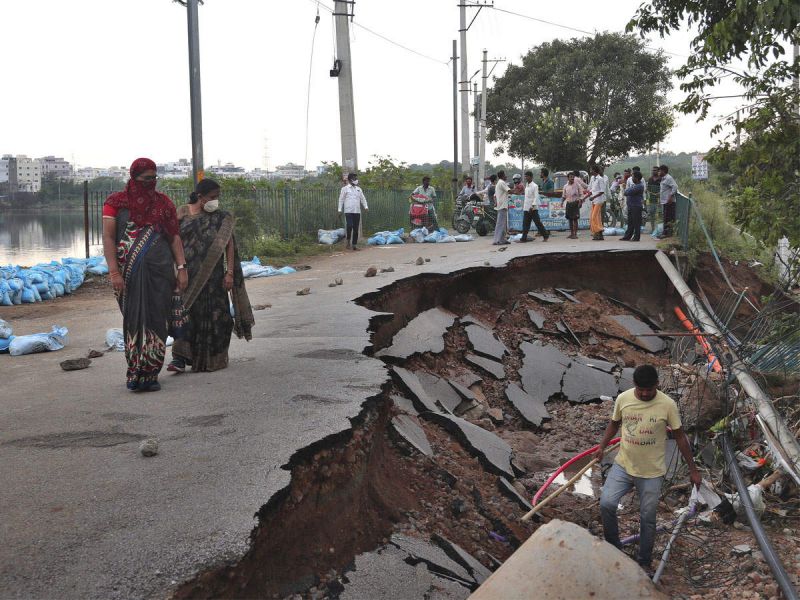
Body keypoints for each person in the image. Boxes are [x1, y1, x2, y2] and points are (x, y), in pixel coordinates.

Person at [595, 364, 701, 573]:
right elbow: (614, 424)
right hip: (624, 465)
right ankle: (613, 549)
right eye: (641, 389)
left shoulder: (667, 404)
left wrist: (693, 469)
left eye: (649, 390)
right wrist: (601, 447)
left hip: (652, 472)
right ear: (634, 384)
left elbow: (680, 436)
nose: (644, 394)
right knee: (606, 503)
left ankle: (644, 561)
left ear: (657, 385)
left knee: (648, 516)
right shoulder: (623, 399)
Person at [102, 158, 187, 392]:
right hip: (127, 274)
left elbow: (174, 237)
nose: (151, 182)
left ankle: (151, 374)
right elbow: (108, 238)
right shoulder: (115, 203)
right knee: (134, 321)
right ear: (134, 178)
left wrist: (182, 268)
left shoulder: (163, 203)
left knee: (157, 320)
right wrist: (114, 272)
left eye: (154, 178)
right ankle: (135, 372)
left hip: (161, 272)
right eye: (146, 178)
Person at [168, 179, 254, 373]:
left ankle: (214, 359)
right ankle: (179, 359)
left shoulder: (222, 218)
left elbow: (229, 245)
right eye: (212, 197)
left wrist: (229, 273)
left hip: (214, 278)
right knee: (186, 315)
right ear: (200, 197)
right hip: (187, 276)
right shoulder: (182, 213)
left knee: (218, 317)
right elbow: (173, 240)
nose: (216, 201)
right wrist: (177, 269)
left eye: (218, 197)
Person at [338, 172, 369, 250]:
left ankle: (354, 245)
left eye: (356, 178)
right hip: (348, 211)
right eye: (354, 179)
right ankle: (348, 240)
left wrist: (366, 206)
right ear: (350, 180)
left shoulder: (359, 189)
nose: (356, 180)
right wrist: (339, 209)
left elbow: (363, 199)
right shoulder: (345, 189)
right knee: (349, 225)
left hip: (357, 211)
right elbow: (341, 199)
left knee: (356, 228)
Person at [520, 171, 549, 242]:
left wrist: (532, 206)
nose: (526, 178)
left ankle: (545, 235)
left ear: (531, 177)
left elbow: (536, 197)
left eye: (527, 176)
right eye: (525, 176)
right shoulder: (526, 185)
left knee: (537, 223)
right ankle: (524, 238)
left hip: (533, 208)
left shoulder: (535, 186)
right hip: (526, 208)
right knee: (525, 224)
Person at [621, 171, 644, 241]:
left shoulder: (639, 186)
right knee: (630, 223)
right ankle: (627, 236)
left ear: (637, 178)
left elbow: (627, 192)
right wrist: (627, 190)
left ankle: (636, 237)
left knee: (636, 223)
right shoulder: (634, 185)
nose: (632, 178)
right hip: (631, 206)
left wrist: (627, 190)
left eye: (633, 177)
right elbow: (627, 191)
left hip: (636, 206)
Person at [562, 171, 585, 240]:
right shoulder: (565, 186)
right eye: (571, 177)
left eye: (573, 177)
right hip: (569, 203)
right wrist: (561, 202)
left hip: (575, 203)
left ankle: (575, 234)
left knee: (575, 219)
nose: (572, 178)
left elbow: (581, 194)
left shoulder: (577, 185)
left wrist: (580, 201)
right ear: (568, 178)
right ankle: (571, 233)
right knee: (570, 219)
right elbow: (564, 196)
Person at [587, 165, 607, 241]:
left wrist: (593, 197)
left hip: (599, 200)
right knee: (596, 218)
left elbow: (602, 191)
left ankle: (599, 231)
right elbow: (590, 190)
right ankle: (598, 234)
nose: (590, 171)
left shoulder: (600, 179)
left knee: (594, 217)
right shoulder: (592, 178)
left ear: (594, 170)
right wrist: (583, 198)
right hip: (594, 201)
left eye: (591, 170)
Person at [658, 165, 678, 237]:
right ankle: (665, 233)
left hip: (669, 202)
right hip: (664, 201)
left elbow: (675, 186)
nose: (658, 172)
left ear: (663, 171)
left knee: (668, 218)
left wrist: (670, 196)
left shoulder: (668, 178)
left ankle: (667, 234)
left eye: (659, 171)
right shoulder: (663, 178)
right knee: (666, 218)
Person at [492, 170, 511, 245]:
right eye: (505, 175)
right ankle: (497, 240)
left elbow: (494, 196)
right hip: (502, 205)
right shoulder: (502, 182)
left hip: (501, 205)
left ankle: (502, 239)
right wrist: (517, 191)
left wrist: (496, 202)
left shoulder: (498, 183)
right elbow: (509, 191)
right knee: (500, 224)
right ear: (502, 176)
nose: (506, 176)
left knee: (503, 224)